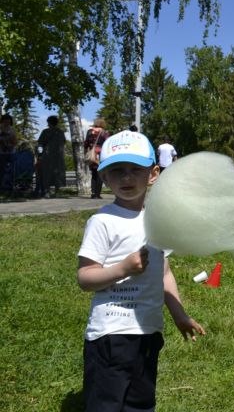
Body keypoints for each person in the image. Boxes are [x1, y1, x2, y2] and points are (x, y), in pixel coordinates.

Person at [77, 130, 205, 412]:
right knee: (105, 404)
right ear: (103, 175)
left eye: (136, 169)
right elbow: (85, 278)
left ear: (153, 174)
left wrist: (179, 314)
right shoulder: (102, 222)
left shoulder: (156, 221)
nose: (126, 177)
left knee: (141, 403)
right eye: (117, 170)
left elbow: (164, 273)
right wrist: (122, 268)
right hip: (110, 334)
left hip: (148, 332)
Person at [36, 115, 66, 198]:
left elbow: (40, 144)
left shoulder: (45, 132)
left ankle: (47, 192)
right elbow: (63, 142)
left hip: (47, 156)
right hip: (58, 156)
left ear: (48, 122)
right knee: (57, 174)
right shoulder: (61, 132)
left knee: (46, 174)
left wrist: (39, 155)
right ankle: (57, 192)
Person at [84, 118, 110, 198]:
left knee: (94, 174)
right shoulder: (104, 132)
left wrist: (86, 151)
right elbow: (108, 142)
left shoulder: (89, 131)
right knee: (100, 174)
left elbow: (86, 143)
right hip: (100, 154)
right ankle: (97, 194)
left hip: (92, 154)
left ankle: (93, 193)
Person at [0, 114, 18, 190]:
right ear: (2, 120)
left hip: (11, 151)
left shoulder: (12, 129)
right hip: (1, 152)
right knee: (1, 169)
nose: (7, 121)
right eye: (5, 120)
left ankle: (10, 186)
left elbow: (15, 140)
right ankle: (1, 186)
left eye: (8, 120)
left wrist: (11, 145)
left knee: (12, 169)